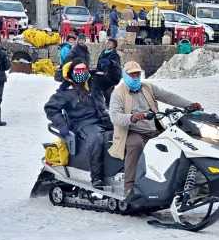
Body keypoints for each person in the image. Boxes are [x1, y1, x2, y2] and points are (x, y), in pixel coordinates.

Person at [108, 61, 201, 195]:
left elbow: (168, 96)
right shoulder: (118, 93)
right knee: (136, 145)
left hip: (153, 129)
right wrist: (132, 117)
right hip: (132, 131)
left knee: (177, 142)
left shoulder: (147, 87)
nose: (135, 77)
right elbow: (115, 117)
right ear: (125, 75)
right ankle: (129, 186)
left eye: (137, 74)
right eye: (132, 74)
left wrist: (189, 104)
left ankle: (178, 181)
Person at [44, 60, 113, 188]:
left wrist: (111, 66)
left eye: (84, 70)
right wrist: (63, 126)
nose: (81, 74)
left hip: (103, 119)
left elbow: (112, 80)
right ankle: (97, 178)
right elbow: (51, 109)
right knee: (96, 138)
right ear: (71, 74)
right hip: (82, 124)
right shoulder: (66, 92)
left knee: (123, 132)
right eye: (78, 71)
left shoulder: (93, 84)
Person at [92, 38, 122, 104]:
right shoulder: (103, 53)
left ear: (114, 46)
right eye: (107, 43)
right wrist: (96, 71)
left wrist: (111, 62)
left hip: (111, 76)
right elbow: (99, 65)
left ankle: (108, 103)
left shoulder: (115, 55)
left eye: (110, 43)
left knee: (103, 87)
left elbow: (116, 65)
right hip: (102, 75)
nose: (108, 44)